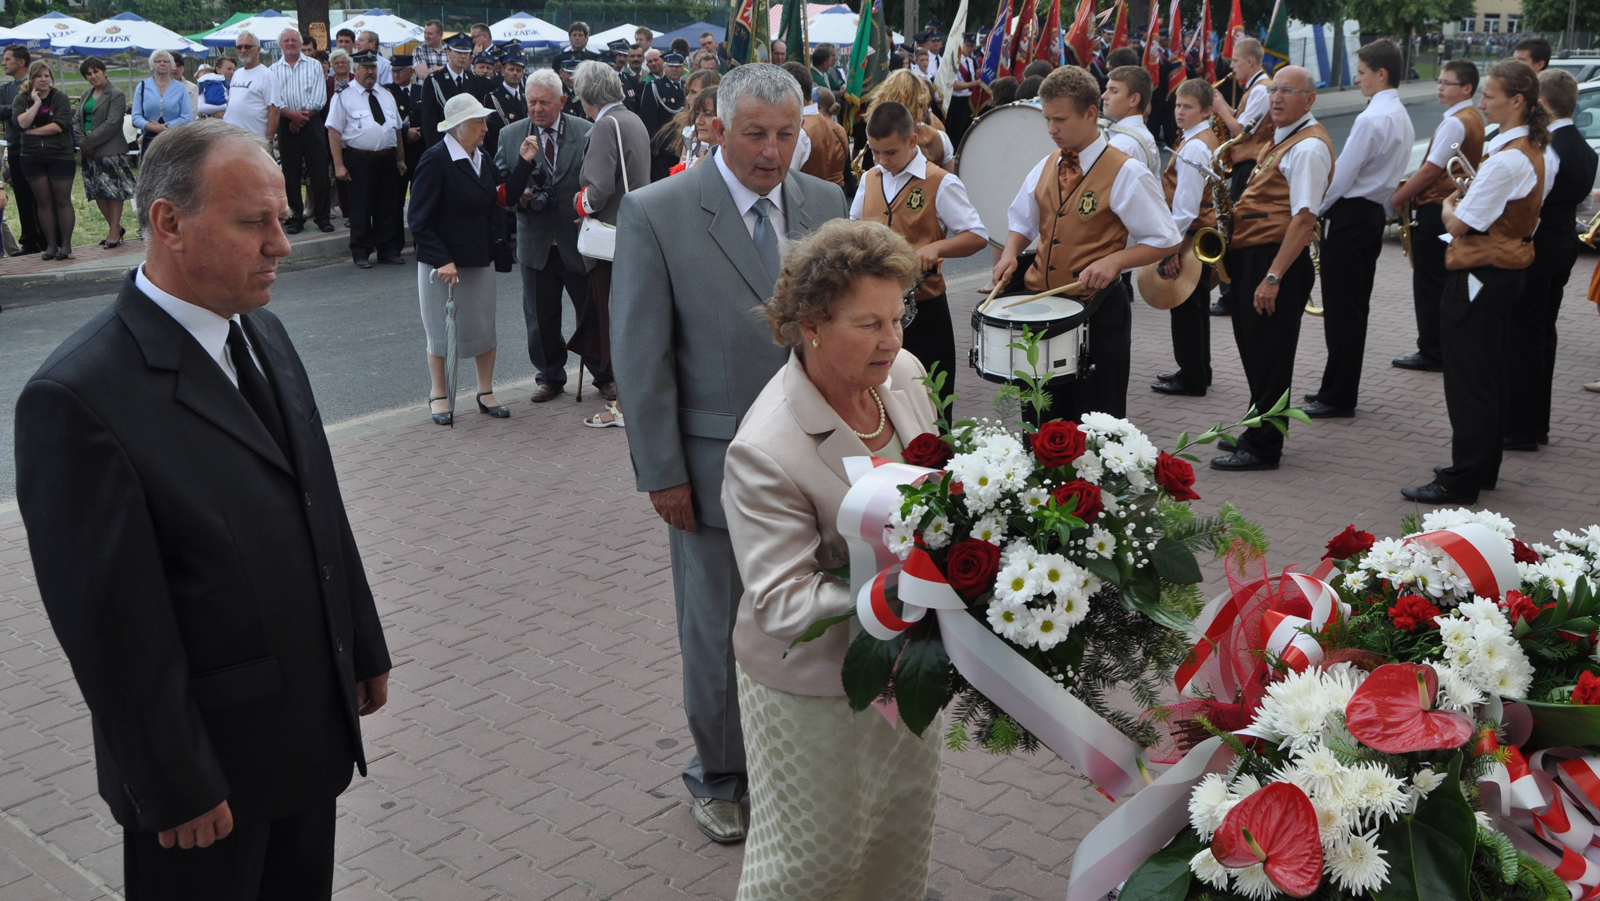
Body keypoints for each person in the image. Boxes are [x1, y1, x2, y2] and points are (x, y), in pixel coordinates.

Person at [13, 116, 391, 901]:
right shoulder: (79, 397)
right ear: (169, 223)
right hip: (204, 775)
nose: (281, 245)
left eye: (280, 220)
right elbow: (110, 626)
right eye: (255, 222)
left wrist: (358, 636)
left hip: (302, 729)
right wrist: (171, 777)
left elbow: (314, 495)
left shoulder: (264, 332)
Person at [611, 63, 848, 844]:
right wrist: (662, 474)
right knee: (717, 630)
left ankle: (801, 760)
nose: (774, 152)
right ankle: (720, 775)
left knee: (817, 614)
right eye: (755, 133)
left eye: (786, 134)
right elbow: (640, 358)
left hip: (820, 462)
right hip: (712, 472)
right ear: (716, 126)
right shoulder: (658, 213)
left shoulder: (825, 203)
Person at [722, 220, 942, 901]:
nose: (893, 339)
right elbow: (783, 601)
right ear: (810, 324)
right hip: (814, 685)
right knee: (811, 866)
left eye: (897, 314)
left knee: (897, 841)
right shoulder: (767, 446)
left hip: (910, 671)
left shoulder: (899, 377)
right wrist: (910, 598)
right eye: (867, 323)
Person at [992, 66, 1182, 423]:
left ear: (1091, 113)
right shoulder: (1047, 163)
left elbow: (1166, 239)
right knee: (1040, 420)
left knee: (1096, 424)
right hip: (1044, 311)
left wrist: (1116, 262)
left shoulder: (1126, 172)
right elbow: (1022, 219)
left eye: (1060, 119)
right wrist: (1010, 253)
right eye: (1047, 119)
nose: (1051, 129)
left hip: (1096, 314)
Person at [1405, 60, 1548, 505]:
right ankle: (1481, 466)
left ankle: (1462, 477)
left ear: (1517, 100)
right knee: (1487, 376)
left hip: (1482, 274)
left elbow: (1464, 222)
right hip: (1503, 271)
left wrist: (1449, 205)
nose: (1482, 102)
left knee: (1469, 381)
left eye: (1489, 95)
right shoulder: (1524, 149)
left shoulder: (1508, 158)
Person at [1210, 66, 1332, 472]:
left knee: (1270, 355)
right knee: (1257, 351)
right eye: (1274, 90)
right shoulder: (1285, 138)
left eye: (1288, 91)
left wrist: (1274, 276)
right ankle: (1256, 427)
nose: (1276, 98)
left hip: (1274, 261)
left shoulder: (1309, 147)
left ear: (1309, 100)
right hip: (1257, 256)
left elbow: (1303, 219)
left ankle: (1264, 448)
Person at [850, 101, 987, 406]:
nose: (882, 160)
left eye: (890, 152)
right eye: (875, 152)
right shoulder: (868, 179)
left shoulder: (940, 181)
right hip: (875, 308)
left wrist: (937, 247)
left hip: (924, 308)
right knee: (880, 400)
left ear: (912, 141)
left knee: (932, 401)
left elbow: (977, 236)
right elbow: (854, 229)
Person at [409, 94, 535, 426]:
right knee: (440, 330)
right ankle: (439, 394)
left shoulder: (481, 157)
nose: (485, 127)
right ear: (459, 127)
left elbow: (501, 196)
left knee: (483, 327)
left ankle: (486, 391)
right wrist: (442, 259)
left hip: (479, 255)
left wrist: (524, 163)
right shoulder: (434, 160)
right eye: (479, 122)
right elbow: (418, 220)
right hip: (443, 264)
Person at [1305, 40, 1414, 420]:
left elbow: (1341, 177)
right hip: (1370, 216)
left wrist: (1313, 212)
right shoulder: (1399, 113)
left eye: (1363, 72)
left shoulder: (1372, 118)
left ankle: (1338, 395)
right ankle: (1334, 387)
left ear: (1380, 74)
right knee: (1351, 309)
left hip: (1350, 216)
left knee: (1342, 312)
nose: (1358, 79)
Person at [499, 68, 603, 402]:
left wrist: (589, 212)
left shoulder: (586, 132)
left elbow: (599, 183)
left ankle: (604, 376)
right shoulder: (511, 136)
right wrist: (522, 199)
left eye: (544, 102)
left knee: (592, 313)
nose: (537, 109)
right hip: (536, 242)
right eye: (531, 103)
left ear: (562, 100)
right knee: (540, 318)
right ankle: (549, 376)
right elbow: (501, 189)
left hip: (577, 242)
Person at [1504, 68, 1595, 451]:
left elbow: (1533, 200)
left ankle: (1521, 429)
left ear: (1541, 103)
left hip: (1539, 246)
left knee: (1525, 336)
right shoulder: (1586, 148)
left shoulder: (1549, 146)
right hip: (1564, 245)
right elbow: (1582, 202)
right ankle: (1536, 424)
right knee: (1544, 333)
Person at [570, 61, 651, 427]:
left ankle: (621, 404)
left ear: (586, 95)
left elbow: (598, 191)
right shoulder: (632, 119)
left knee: (612, 319)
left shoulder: (605, 125)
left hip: (610, 236)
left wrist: (579, 204)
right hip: (635, 230)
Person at [1389, 60, 1483, 374]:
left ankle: (1431, 351)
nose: (1440, 87)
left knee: (1428, 283)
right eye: (1439, 81)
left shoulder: (1456, 121)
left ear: (1466, 88)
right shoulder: (1473, 117)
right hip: (1451, 206)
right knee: (1439, 281)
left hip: (1435, 208)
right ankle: (1441, 346)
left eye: (1447, 83)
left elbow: (1431, 168)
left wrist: (1398, 198)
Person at [1152, 78, 1221, 398]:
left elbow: (1185, 207)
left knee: (1185, 307)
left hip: (1190, 235)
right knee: (1195, 307)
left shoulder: (1194, 146)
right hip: (1199, 232)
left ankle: (1192, 377)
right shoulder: (1201, 137)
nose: (1179, 111)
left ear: (1206, 110)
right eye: (1178, 105)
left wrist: (1170, 250)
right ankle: (1197, 370)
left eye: (1188, 107)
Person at [1208, 37, 1270, 317]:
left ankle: (1230, 296)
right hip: (1243, 163)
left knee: (1232, 229)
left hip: (1249, 165)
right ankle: (1230, 293)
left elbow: (1243, 132)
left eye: (1234, 61)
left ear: (1249, 61)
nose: (1231, 66)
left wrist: (1221, 109)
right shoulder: (1255, 89)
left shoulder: (1261, 90)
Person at [328, 50, 406, 269]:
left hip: (387, 158)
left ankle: (387, 250)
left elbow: (397, 129)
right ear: (355, 70)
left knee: (387, 206)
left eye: (373, 68)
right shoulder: (343, 96)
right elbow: (334, 131)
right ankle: (361, 251)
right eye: (365, 68)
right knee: (361, 207)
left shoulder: (386, 94)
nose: (370, 72)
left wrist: (400, 159)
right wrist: (339, 165)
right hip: (359, 159)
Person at [271, 28, 332, 236]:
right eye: (286, 40)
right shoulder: (273, 70)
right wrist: (292, 116)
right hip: (286, 125)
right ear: (281, 45)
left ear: (299, 43)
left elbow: (319, 96)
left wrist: (301, 118)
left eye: (293, 40)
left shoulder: (314, 65)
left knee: (319, 171)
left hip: (312, 122)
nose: (290, 43)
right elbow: (275, 100)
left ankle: (322, 217)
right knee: (290, 173)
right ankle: (295, 217)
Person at [13, 60, 75, 260]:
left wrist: (34, 133)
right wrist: (37, 103)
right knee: (43, 201)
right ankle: (50, 245)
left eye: (47, 75)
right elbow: (21, 123)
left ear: (51, 78)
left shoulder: (60, 98)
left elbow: (59, 126)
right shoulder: (22, 99)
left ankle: (65, 245)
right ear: (31, 79)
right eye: (39, 76)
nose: (43, 79)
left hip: (60, 155)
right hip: (32, 157)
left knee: (62, 200)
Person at [75, 58, 134, 250]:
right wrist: (81, 141)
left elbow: (112, 123)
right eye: (89, 74)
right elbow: (76, 120)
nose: (93, 76)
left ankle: (114, 231)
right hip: (88, 152)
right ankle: (115, 228)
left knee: (113, 192)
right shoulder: (86, 94)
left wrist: (89, 141)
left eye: (96, 72)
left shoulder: (116, 94)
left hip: (110, 150)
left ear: (104, 71)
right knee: (97, 192)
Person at [1, 45, 44, 254]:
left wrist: (16, 112)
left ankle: (47, 239)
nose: (3, 63)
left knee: (40, 196)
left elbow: (39, 110)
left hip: (36, 148)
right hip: (15, 147)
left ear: (21, 62)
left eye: (7, 59)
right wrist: (18, 110)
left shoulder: (35, 83)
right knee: (21, 196)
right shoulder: (6, 88)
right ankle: (29, 241)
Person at [422, 36, 493, 148]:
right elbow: (429, 121)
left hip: (469, 143)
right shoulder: (435, 80)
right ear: (448, 52)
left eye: (466, 53)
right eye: (458, 52)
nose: (463, 56)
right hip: (444, 144)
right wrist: (434, 149)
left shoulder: (473, 79)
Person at [133, 50, 195, 156]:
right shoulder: (142, 86)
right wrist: (152, 127)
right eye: (158, 61)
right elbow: (136, 117)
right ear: (152, 64)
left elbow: (187, 117)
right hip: (149, 139)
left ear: (171, 65)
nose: (162, 63)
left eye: (166, 61)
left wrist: (166, 127)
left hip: (174, 139)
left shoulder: (181, 88)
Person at [1102, 65, 1161, 176]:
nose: (1104, 96)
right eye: (1106, 89)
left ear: (1134, 99)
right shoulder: (1142, 134)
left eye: (1114, 91)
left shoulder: (1122, 145)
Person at [640, 53, 687, 182]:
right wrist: (653, 144)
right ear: (665, 67)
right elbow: (648, 116)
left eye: (677, 66)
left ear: (683, 68)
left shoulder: (685, 87)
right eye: (671, 66)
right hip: (663, 146)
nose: (674, 69)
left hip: (681, 144)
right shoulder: (655, 86)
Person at [797, 68, 848, 186]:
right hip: (839, 186)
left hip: (826, 187)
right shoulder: (839, 128)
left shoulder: (814, 126)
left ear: (816, 104)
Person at [388, 55, 425, 210]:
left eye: (400, 71)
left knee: (420, 196)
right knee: (396, 199)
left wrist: (420, 132)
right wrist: (405, 132)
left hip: (419, 151)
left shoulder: (422, 91)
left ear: (411, 72)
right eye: (394, 71)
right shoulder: (387, 92)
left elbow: (429, 116)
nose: (396, 74)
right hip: (398, 151)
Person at [484, 52, 527, 160]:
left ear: (522, 74)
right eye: (511, 69)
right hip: (504, 153)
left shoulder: (527, 96)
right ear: (503, 72)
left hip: (526, 151)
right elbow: (493, 133)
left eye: (518, 70)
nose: (515, 73)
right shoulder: (493, 98)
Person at [947, 34, 980, 147]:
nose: (969, 48)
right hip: (956, 101)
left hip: (969, 101)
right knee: (956, 132)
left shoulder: (972, 61)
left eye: (972, 46)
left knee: (967, 129)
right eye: (967, 45)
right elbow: (954, 85)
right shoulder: (954, 61)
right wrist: (973, 83)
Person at [678, 85, 721, 172]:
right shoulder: (708, 154)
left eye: (708, 114)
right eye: (697, 114)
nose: (698, 121)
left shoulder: (729, 161)